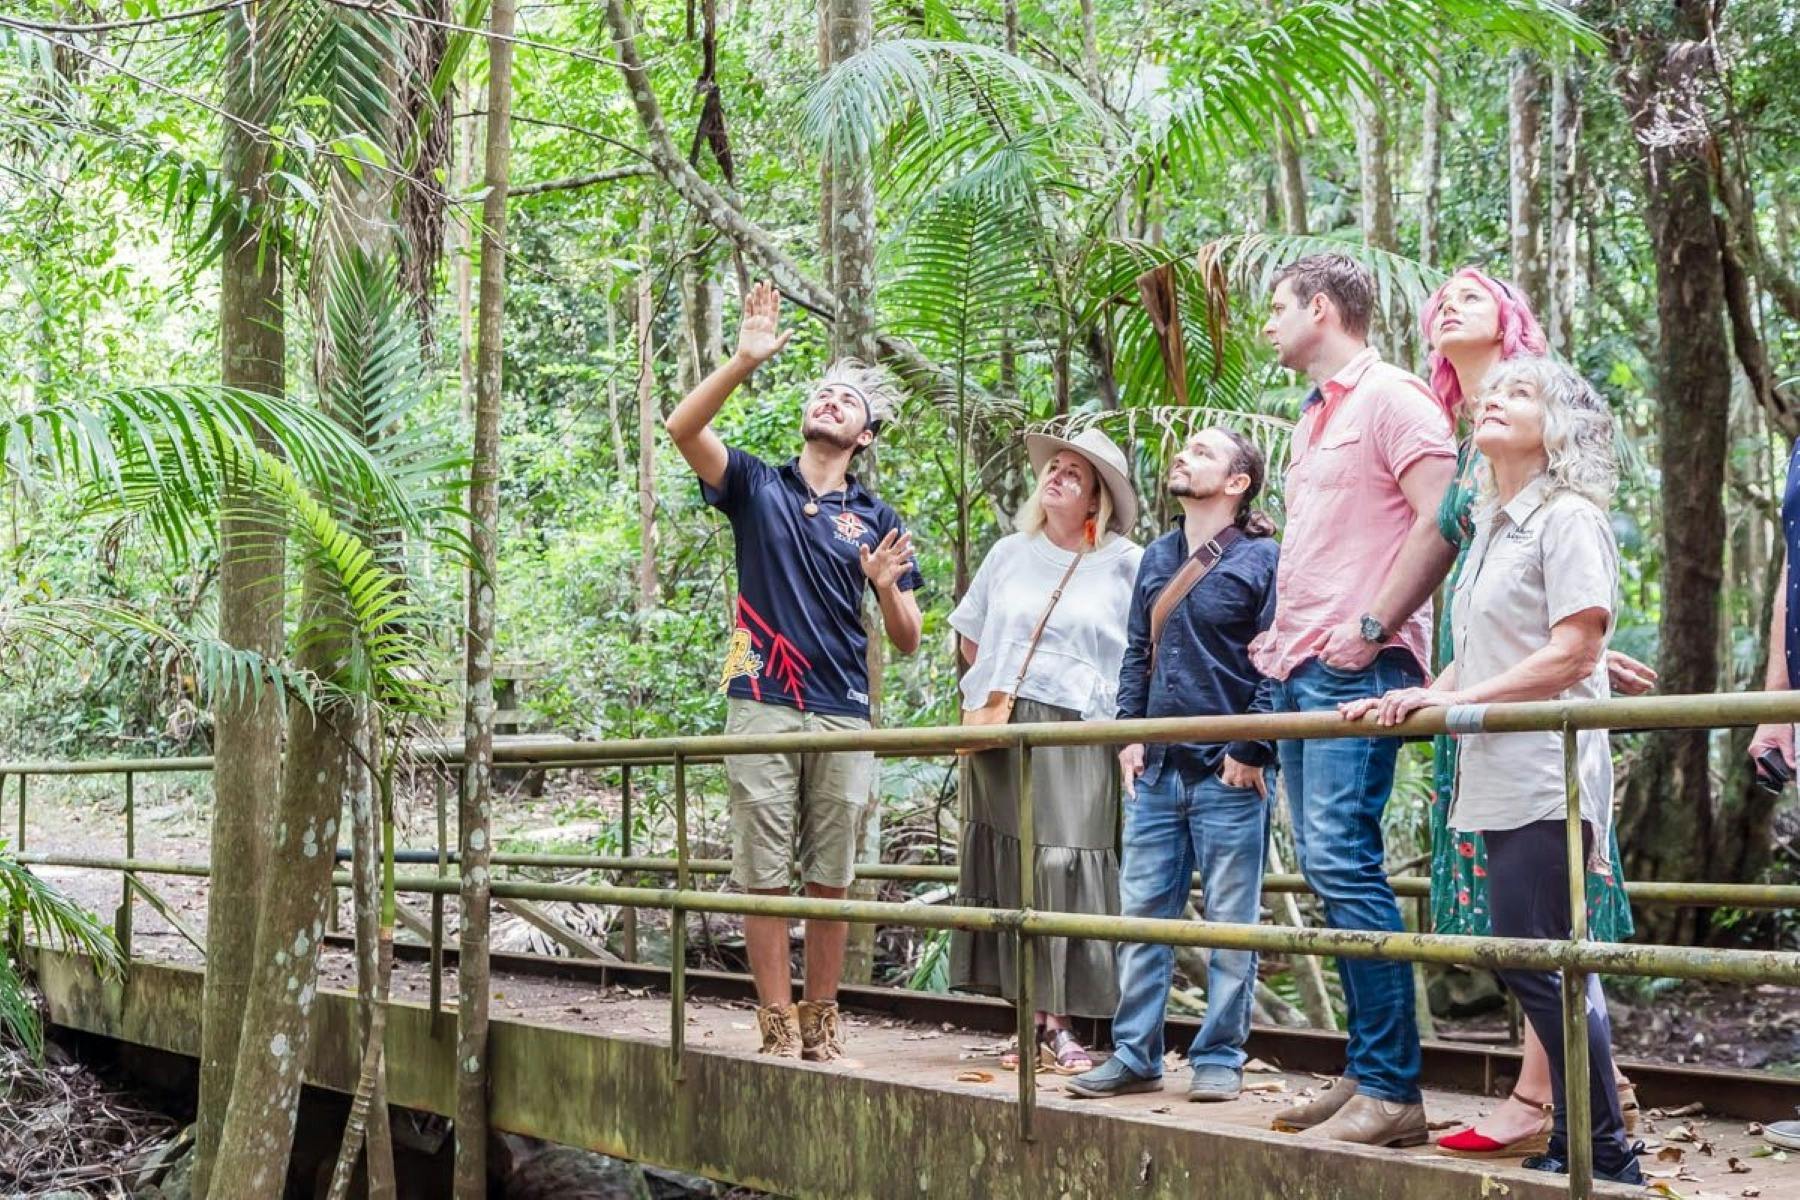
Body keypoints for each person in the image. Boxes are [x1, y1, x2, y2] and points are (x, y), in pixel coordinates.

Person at [1351, 268, 1651, 1155]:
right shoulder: (1489, 526)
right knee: (1525, 955)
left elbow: (1575, 648)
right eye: (1493, 394)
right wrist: (1423, 692)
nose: (1494, 400)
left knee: (1545, 957)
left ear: (1553, 427)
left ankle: (1603, 1147)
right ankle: (1588, 1135)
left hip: (1543, 768)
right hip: (1493, 764)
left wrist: (1462, 702)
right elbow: (1485, 646)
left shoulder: (1567, 518)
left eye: (1518, 393)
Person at [665, 281, 923, 1062]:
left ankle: (824, 1017)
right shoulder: (756, 484)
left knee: (833, 877)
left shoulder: (878, 519)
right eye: (823, 393)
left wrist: (884, 588)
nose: (832, 402)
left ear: (866, 435)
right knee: (764, 872)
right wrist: (744, 358)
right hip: (760, 692)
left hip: (843, 706)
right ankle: (775, 1023)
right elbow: (681, 427)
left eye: (848, 400)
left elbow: (908, 639)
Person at [1252, 253, 1457, 1147]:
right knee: (1331, 870)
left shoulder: (1394, 397)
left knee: (1343, 864)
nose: (1267, 323)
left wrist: (1374, 626)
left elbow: (1445, 517)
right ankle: (1369, 1070)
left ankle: (1391, 1088)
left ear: (1323, 310)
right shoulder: (1311, 420)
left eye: (1277, 307)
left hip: (1357, 665)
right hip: (1303, 664)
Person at [1064, 427, 1281, 1103]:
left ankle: (1220, 1055)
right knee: (1142, 922)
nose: (1183, 456)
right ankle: (1136, 1054)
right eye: (1183, 449)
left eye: (1204, 453)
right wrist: (1131, 735)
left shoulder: (1265, 558)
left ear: (1238, 483)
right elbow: (1136, 653)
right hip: (1157, 770)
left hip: (1228, 773)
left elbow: (1277, 659)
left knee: (1228, 926)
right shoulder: (1158, 556)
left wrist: (1252, 750)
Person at [947, 428, 1143, 1074]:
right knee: (1012, 865)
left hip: (1081, 725)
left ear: (1096, 500)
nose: (1056, 476)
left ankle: (1064, 1022)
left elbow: (1140, 653)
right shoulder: (1011, 552)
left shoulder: (1125, 560)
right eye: (1052, 467)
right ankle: (1027, 1017)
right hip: (1002, 726)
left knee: (1064, 863)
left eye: (1074, 474)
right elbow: (971, 636)